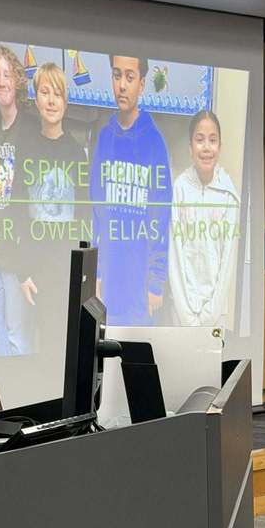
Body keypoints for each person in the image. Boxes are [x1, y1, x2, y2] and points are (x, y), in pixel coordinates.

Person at [89, 54, 172, 326]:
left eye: (130, 77)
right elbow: (97, 215)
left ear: (142, 83)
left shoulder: (154, 142)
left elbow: (161, 218)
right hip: (108, 282)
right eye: (116, 75)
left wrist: (156, 283)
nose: (122, 85)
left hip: (139, 286)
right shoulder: (104, 137)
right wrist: (97, 273)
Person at [20, 61, 88, 351]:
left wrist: (86, 271)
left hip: (67, 267)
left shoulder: (75, 152)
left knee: (68, 344)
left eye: (57, 94)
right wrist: (23, 271)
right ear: (36, 100)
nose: (51, 100)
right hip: (36, 268)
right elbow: (18, 212)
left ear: (66, 102)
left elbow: (84, 214)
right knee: (42, 343)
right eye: (45, 92)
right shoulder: (26, 147)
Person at [0, 44, 36, 356]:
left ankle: (24, 399)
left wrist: (26, 265)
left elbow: (30, 201)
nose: (1, 80)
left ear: (17, 80)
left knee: (18, 336)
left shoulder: (29, 126)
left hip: (18, 252)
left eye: (7, 73)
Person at [167, 109, 240, 327]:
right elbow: (175, 254)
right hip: (181, 311)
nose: (206, 147)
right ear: (190, 147)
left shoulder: (228, 194)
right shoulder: (180, 188)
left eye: (212, 140)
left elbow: (227, 262)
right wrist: (187, 314)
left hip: (215, 316)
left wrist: (209, 313)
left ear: (220, 147)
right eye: (200, 140)